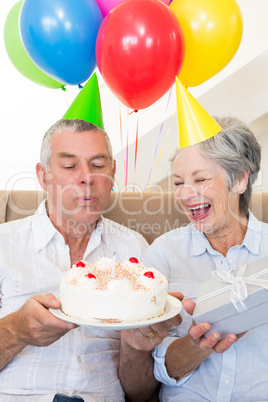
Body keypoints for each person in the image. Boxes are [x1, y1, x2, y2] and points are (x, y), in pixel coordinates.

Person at [0, 118, 182, 402]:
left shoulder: (134, 249)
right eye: (70, 166)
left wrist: (135, 348)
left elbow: (141, 394)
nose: (87, 177)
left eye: (98, 165)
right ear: (43, 175)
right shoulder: (4, 244)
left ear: (112, 172)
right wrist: (15, 330)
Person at [140, 116, 268, 401]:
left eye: (200, 179)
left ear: (240, 179)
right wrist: (195, 347)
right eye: (178, 182)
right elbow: (154, 366)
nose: (185, 194)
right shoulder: (163, 254)